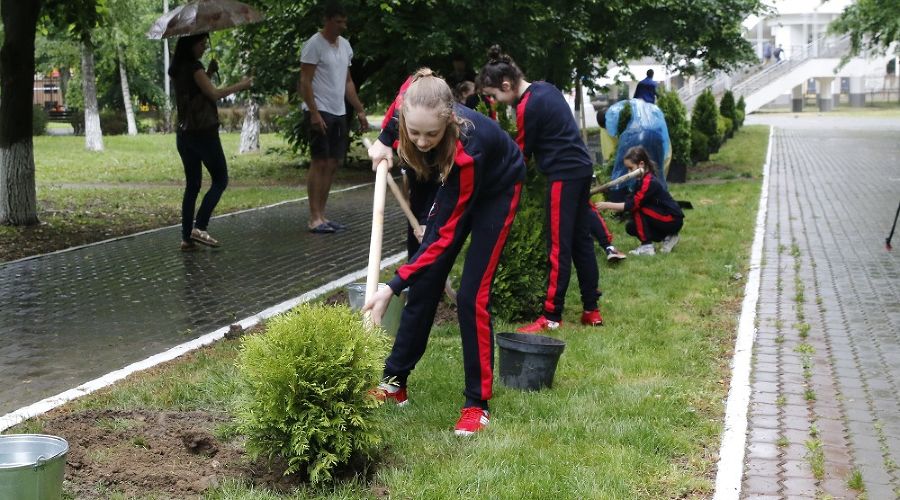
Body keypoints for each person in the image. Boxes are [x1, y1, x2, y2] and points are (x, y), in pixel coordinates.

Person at [363, 69, 525, 436]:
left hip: (495, 190)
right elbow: (396, 111)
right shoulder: (413, 94)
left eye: (431, 134)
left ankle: (476, 404)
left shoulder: (468, 150)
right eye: (413, 132)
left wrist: (392, 286)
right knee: (425, 283)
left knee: (471, 295)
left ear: (450, 119)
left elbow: (443, 236)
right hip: (444, 177)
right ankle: (395, 382)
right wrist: (384, 140)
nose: (420, 141)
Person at [478, 45, 604, 333]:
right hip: (582, 169)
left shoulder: (527, 106)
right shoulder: (546, 88)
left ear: (507, 85)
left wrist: (496, 180)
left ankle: (551, 316)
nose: (496, 102)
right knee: (581, 241)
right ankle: (591, 310)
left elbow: (521, 153)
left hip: (563, 175)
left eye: (495, 96)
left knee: (558, 246)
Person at [169, 33, 252, 251]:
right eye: (202, 44)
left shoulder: (178, 68)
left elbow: (195, 91)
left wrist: (210, 73)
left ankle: (186, 239)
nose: (205, 47)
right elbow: (213, 94)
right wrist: (241, 85)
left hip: (184, 134)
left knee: (193, 185)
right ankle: (200, 226)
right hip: (204, 133)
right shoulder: (195, 67)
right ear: (191, 46)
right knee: (220, 179)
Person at [299, 1, 368, 234]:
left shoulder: (345, 46)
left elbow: (348, 82)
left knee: (332, 163)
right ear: (327, 20)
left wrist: (358, 110)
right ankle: (313, 217)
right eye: (338, 21)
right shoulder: (313, 45)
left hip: (339, 110)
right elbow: (305, 81)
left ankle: (323, 215)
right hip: (319, 109)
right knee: (319, 161)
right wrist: (314, 112)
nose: (342, 26)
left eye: (344, 22)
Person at [593, 146, 683, 255]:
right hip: (661, 217)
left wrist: (608, 205)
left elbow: (632, 205)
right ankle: (668, 237)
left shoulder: (649, 181)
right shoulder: (641, 180)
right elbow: (630, 199)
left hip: (672, 219)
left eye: (631, 168)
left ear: (641, 164)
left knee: (637, 208)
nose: (628, 171)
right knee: (631, 227)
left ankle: (647, 247)